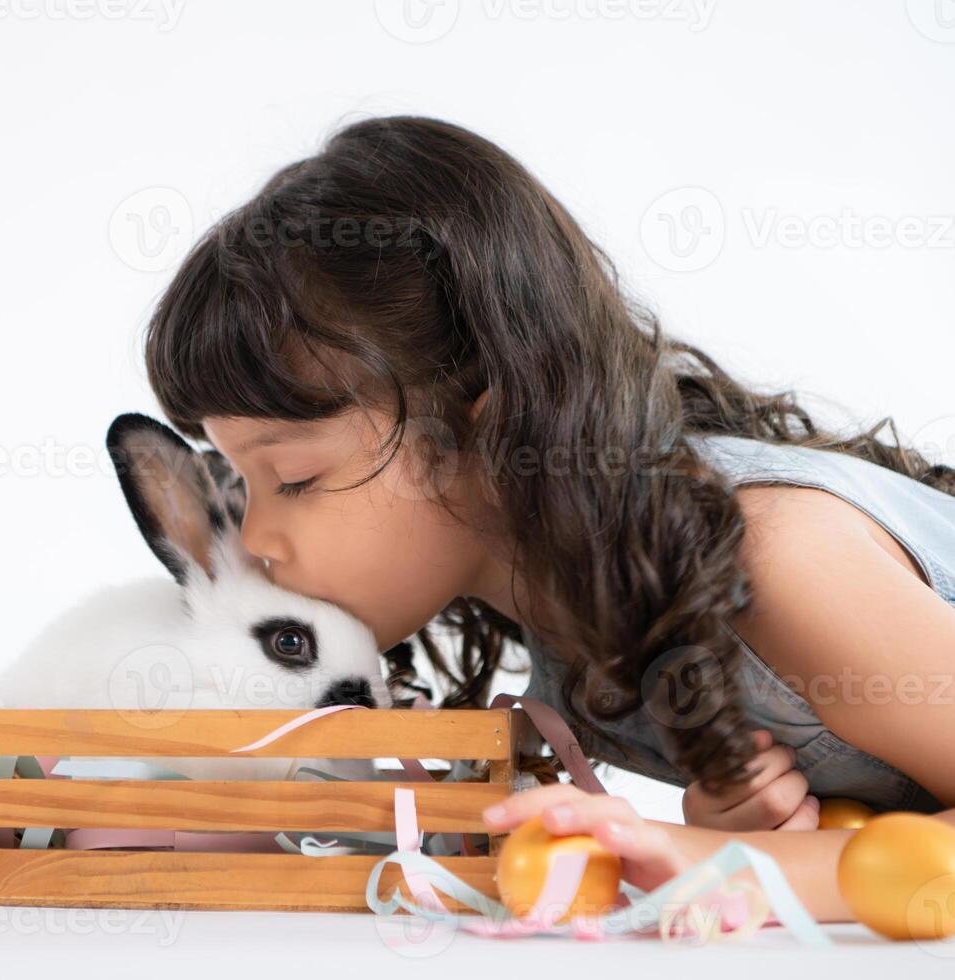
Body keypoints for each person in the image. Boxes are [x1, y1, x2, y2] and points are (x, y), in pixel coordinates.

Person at [138, 114, 955, 921]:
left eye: (294, 477)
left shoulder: (780, 560)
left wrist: (738, 864)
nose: (253, 542)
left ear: (490, 436)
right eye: (240, 485)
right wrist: (742, 840)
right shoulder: (571, 650)